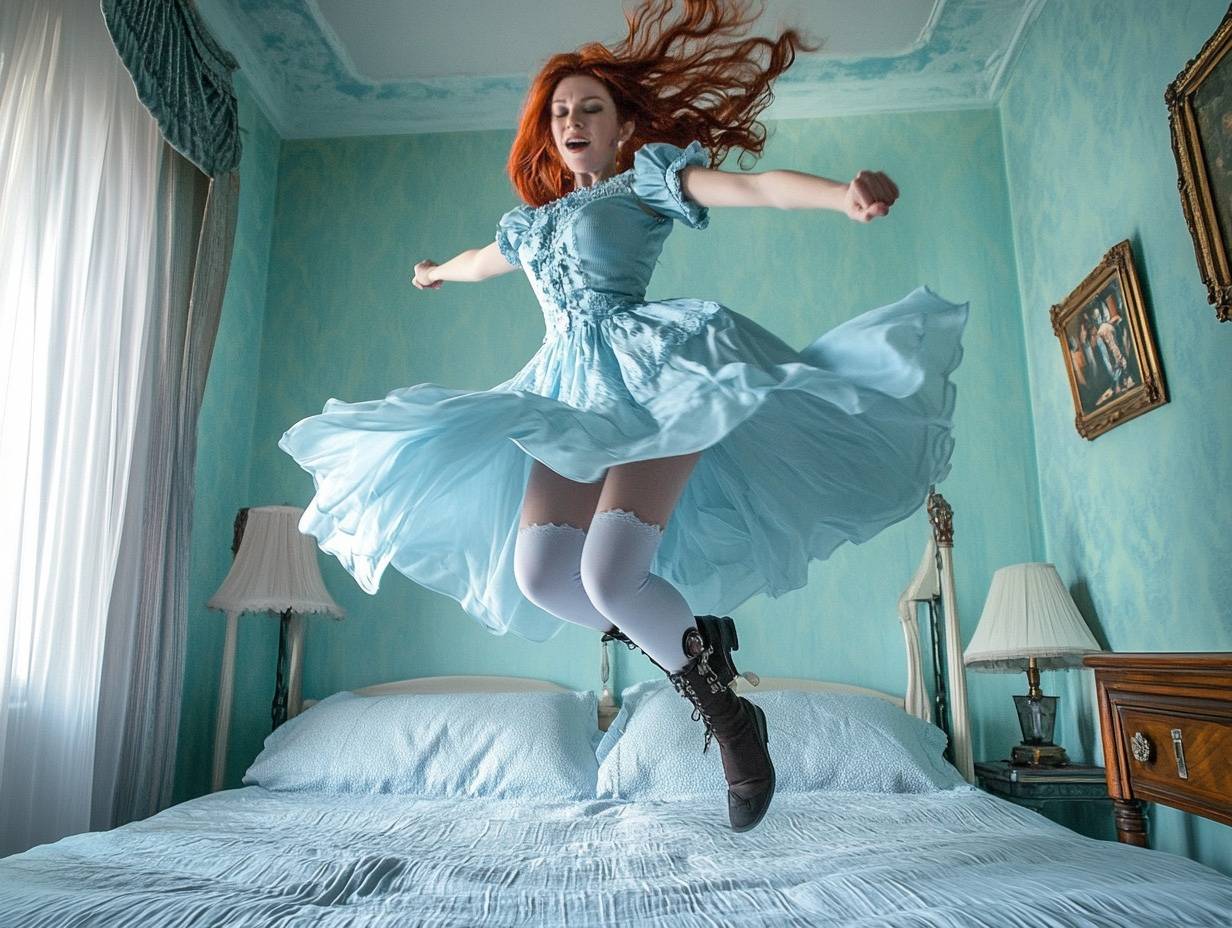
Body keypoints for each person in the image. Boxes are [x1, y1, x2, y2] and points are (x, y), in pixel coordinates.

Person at [278, 0, 971, 834]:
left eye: (589, 108)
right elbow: (477, 261)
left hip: (654, 378)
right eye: (560, 111)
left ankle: (731, 725)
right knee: (540, 576)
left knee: (609, 577)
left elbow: (751, 186)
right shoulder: (529, 227)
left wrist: (839, 197)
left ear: (620, 127)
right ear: (549, 131)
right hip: (565, 395)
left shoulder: (646, 183)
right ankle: (699, 645)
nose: (572, 120)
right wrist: (432, 273)